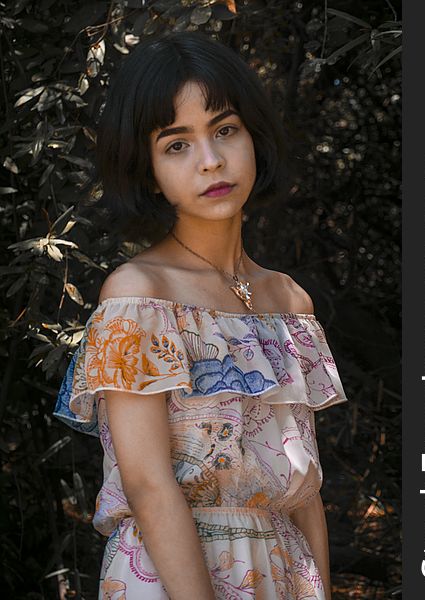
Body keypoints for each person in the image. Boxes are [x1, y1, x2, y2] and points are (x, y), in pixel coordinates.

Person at [53, 31, 349, 600]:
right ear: (149, 170)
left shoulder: (290, 303)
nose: (211, 159)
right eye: (177, 144)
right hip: (172, 576)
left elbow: (305, 492)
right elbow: (148, 485)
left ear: (252, 137)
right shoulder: (138, 295)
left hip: (284, 574)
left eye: (225, 130)